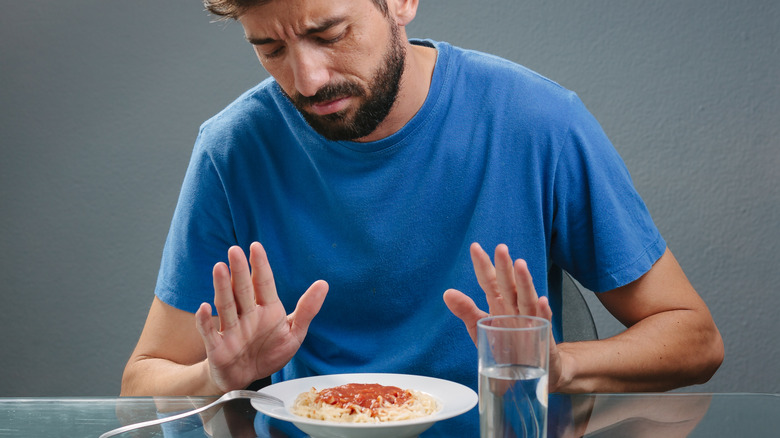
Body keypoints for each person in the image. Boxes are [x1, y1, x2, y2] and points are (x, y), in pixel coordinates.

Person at [122, 0, 722, 413]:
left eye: (329, 34)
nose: (306, 79)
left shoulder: (537, 121)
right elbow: (142, 378)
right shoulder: (233, 149)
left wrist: (555, 366)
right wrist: (217, 378)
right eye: (270, 48)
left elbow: (695, 340)